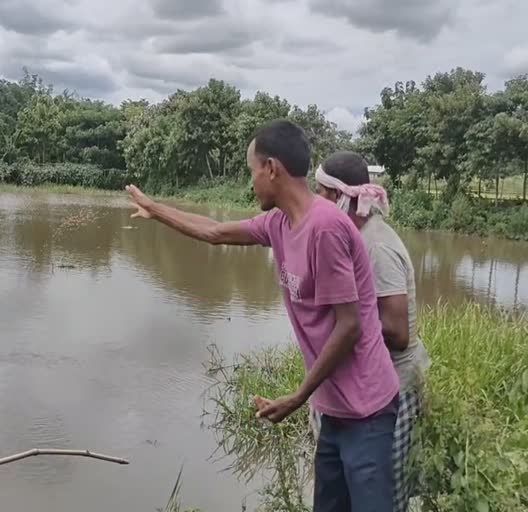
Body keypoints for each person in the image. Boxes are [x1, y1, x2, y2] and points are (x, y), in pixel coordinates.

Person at [126, 120, 399, 511]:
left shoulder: (325, 229)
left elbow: (350, 325)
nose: (251, 182)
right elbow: (216, 232)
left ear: (271, 169)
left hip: (368, 410)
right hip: (335, 409)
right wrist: (156, 209)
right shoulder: (279, 223)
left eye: (252, 171)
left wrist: (298, 397)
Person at [314, 151, 431, 512]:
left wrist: (338, 328)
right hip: (362, 389)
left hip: (391, 390)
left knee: (380, 497)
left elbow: (396, 331)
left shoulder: (375, 245)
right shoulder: (352, 235)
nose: (316, 200)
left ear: (339, 197)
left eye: (320, 192)